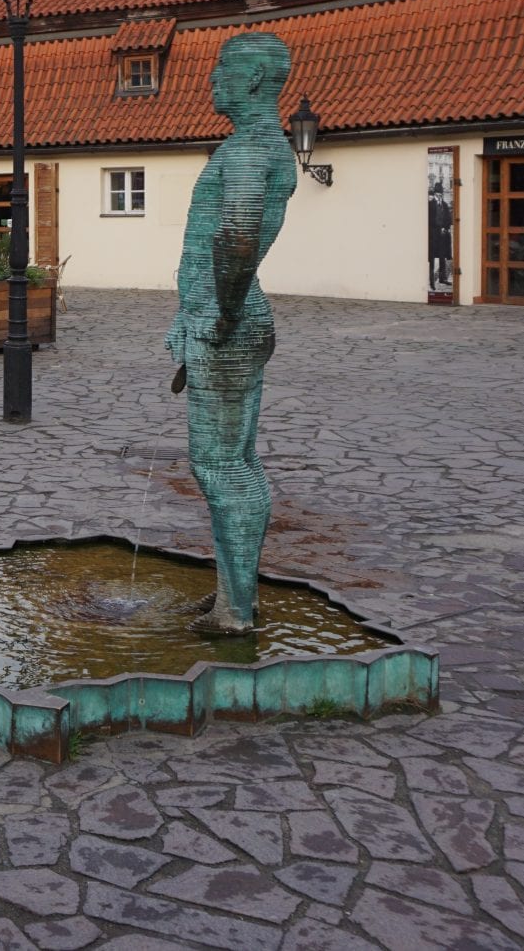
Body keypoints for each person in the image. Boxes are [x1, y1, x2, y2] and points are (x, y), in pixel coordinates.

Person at [165, 32, 299, 635]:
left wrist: (218, 313)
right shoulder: (267, 146)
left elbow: (239, 234)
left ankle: (235, 612)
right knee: (233, 460)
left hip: (231, 320)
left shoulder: (248, 151)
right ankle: (231, 592)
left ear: (251, 80)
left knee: (223, 468)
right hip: (237, 315)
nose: (211, 78)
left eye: (223, 68)